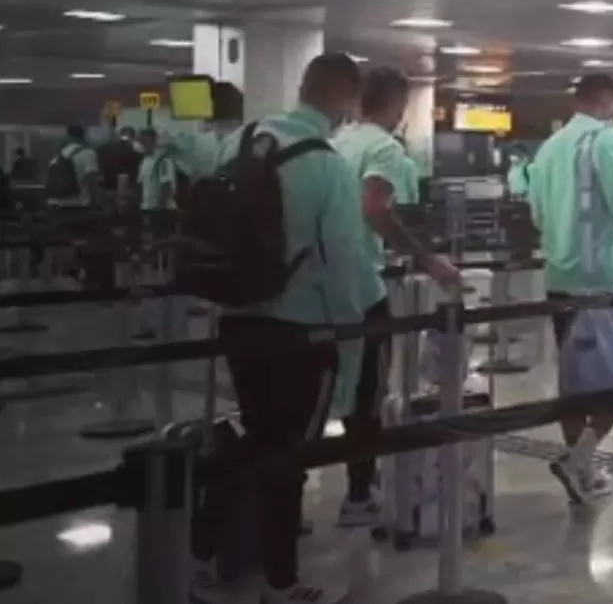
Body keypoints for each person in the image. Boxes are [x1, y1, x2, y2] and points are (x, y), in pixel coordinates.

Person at [189, 53, 370, 604]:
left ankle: (198, 553)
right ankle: (282, 582)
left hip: (239, 319)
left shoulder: (240, 142)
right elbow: (341, 267)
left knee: (254, 438)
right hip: (301, 332)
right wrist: (351, 357)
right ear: (346, 100)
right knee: (288, 456)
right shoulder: (326, 163)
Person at [331, 66, 461, 528]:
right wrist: (429, 260)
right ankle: (359, 494)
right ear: (395, 105)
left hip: (322, 285)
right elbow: (375, 208)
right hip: (363, 285)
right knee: (370, 392)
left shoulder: (337, 141)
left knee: (331, 391)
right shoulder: (383, 147)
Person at [529, 73, 613, 503]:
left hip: (559, 276)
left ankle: (580, 465)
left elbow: (537, 213)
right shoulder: (607, 140)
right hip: (602, 278)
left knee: (574, 377)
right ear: (607, 100)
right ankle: (582, 457)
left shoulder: (549, 147)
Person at [45, 125, 98, 208]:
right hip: (79, 203)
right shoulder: (88, 153)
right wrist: (95, 200)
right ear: (83, 136)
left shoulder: (59, 153)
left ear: (68, 136)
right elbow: (90, 178)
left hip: (54, 202)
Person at [135, 128, 177, 212]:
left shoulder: (163, 160)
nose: (143, 144)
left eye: (146, 140)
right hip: (147, 208)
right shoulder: (145, 161)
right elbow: (140, 184)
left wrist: (159, 209)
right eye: (141, 141)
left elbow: (166, 186)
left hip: (160, 209)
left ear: (154, 140)